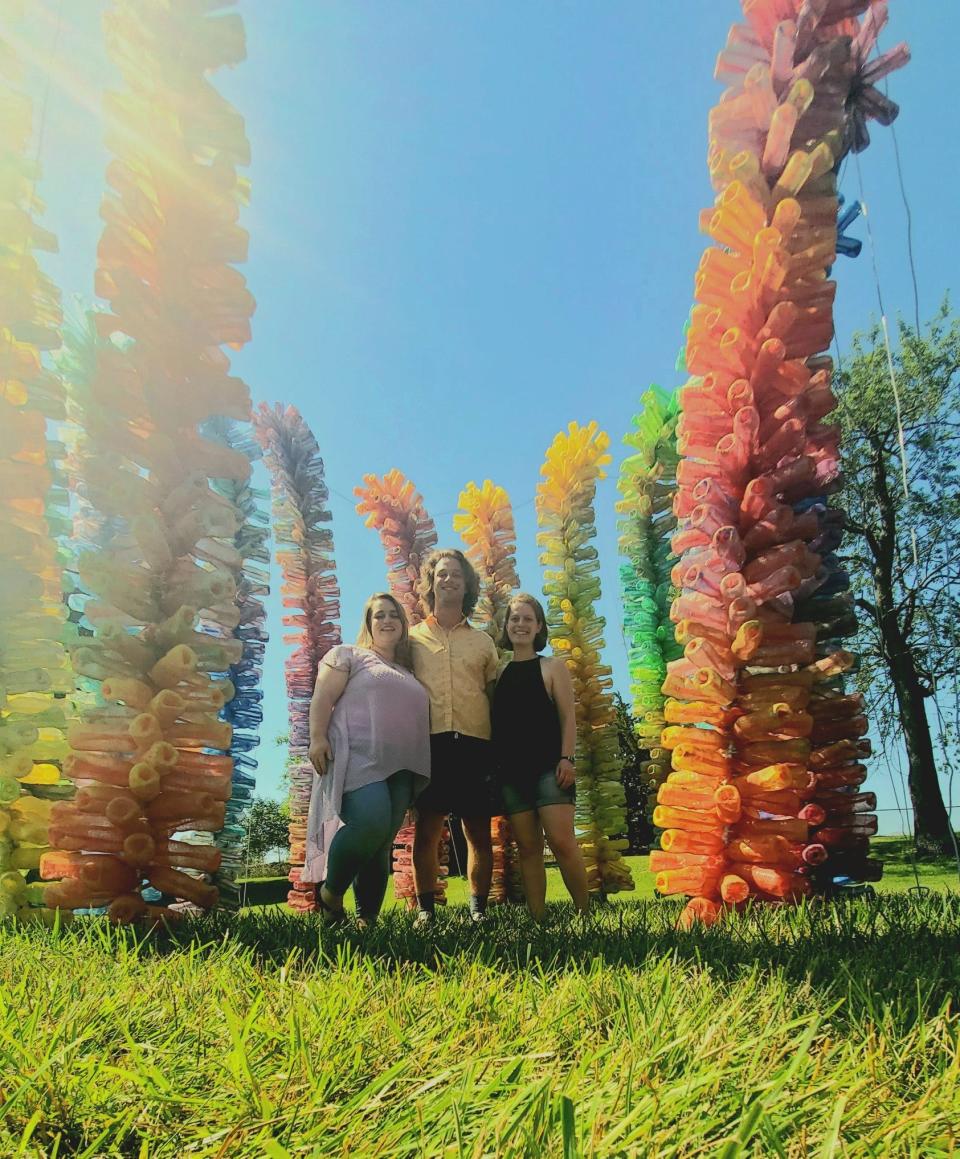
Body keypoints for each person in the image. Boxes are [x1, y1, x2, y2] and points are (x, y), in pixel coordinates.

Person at [304, 592, 430, 925]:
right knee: (369, 823)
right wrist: (317, 738)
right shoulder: (349, 655)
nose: (387, 621)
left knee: (381, 843)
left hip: (402, 767)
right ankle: (330, 894)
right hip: (357, 755)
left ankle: (367, 920)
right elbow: (323, 697)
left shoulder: (408, 671)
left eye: (394, 615)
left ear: (403, 625)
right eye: (379, 615)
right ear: (369, 624)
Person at [409, 548, 499, 923]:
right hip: (429, 744)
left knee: (478, 831)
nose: (448, 580)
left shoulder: (483, 642)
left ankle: (478, 909)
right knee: (427, 830)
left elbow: (495, 698)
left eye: (456, 575)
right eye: (441, 574)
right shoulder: (411, 638)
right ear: (431, 583)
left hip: (476, 743)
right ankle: (426, 911)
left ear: (467, 585)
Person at [492, 593, 589, 919]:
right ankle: (538, 919)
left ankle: (584, 914)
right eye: (514, 619)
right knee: (528, 849)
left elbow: (567, 718)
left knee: (562, 843)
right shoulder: (499, 673)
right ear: (507, 625)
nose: (520, 625)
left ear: (538, 627)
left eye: (527, 619)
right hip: (511, 775)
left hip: (550, 769)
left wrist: (567, 759)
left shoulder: (551, 667)